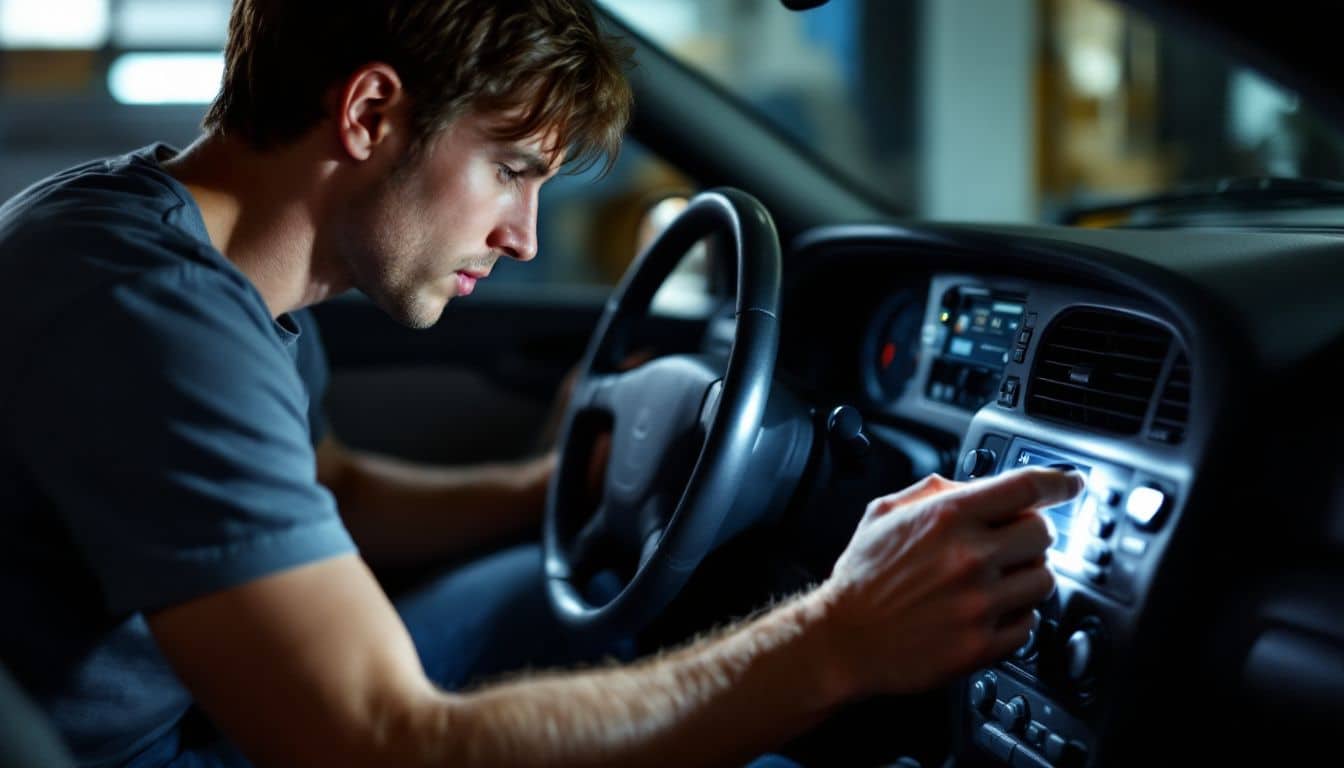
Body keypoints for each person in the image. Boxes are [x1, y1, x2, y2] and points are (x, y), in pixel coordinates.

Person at [0, 1, 1083, 766]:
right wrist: (838, 639)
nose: (522, 238)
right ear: (371, 114)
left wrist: (551, 484)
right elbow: (377, 744)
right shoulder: (146, 310)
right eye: (513, 170)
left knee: (550, 595)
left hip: (204, 717)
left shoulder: (206, 266)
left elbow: (329, 489)